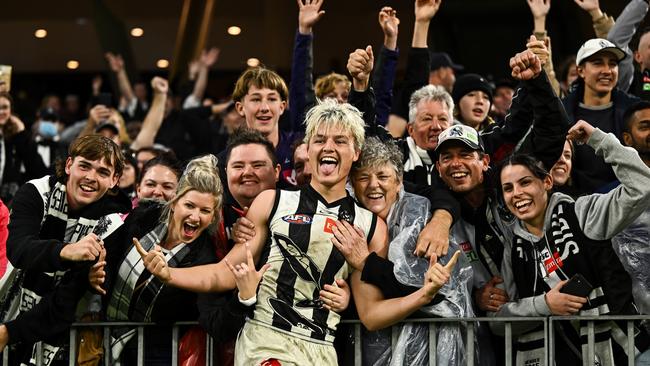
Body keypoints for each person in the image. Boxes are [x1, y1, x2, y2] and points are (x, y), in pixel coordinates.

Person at [137, 99, 386, 365]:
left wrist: (426, 292)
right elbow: (225, 272)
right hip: (265, 343)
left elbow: (370, 313)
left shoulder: (371, 224)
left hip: (321, 350)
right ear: (309, 147)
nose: (328, 147)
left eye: (340, 141)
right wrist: (169, 273)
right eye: (320, 139)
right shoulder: (272, 201)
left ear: (356, 151)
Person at [495, 120, 650, 365]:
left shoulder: (582, 212)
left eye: (525, 182)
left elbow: (642, 186)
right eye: (507, 188)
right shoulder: (512, 246)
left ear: (546, 183)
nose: (517, 193)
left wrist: (599, 139)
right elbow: (498, 320)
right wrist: (544, 304)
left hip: (619, 353)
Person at [0, 135, 130, 365]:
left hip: (52, 340)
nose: (90, 177)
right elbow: (19, 249)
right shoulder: (35, 192)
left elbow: (66, 300)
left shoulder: (112, 225)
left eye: (102, 171)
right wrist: (66, 251)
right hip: (5, 307)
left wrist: (9, 332)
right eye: (84, 166)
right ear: (69, 165)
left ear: (115, 180)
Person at [344, 136, 469, 365]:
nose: (373, 185)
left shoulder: (419, 216)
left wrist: (367, 263)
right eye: (364, 178)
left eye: (382, 176)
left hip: (437, 348)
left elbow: (429, 290)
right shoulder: (353, 223)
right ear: (352, 183)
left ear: (399, 181)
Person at [90, 155, 224, 364]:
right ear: (174, 203)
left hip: (158, 352)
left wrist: (245, 297)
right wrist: (93, 277)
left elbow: (211, 317)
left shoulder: (205, 257)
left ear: (213, 216)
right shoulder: (143, 216)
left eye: (205, 210)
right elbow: (108, 259)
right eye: (189, 205)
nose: (196, 216)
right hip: (103, 338)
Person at [562, 38, 640, 193]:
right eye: (598, 63)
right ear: (581, 71)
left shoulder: (636, 111)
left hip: (627, 204)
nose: (607, 70)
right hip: (577, 205)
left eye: (613, 64)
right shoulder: (561, 112)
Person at [0, 92, 48, 203]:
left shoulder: (16, 136)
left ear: (11, 110)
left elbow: (37, 168)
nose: (1, 111)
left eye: (5, 107)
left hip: (7, 201)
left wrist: (21, 134)